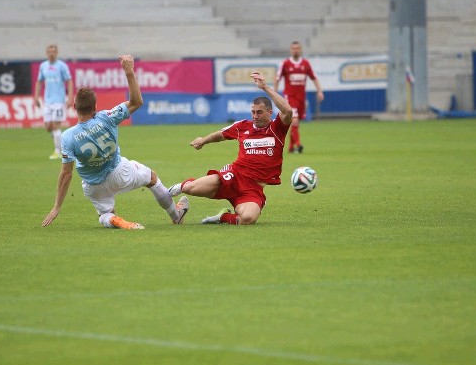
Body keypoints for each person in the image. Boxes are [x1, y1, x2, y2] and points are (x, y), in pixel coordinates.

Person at [41, 54, 189, 230]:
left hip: (93, 185)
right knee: (152, 179)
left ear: (75, 108)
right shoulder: (107, 117)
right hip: (120, 172)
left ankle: (116, 221)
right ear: (95, 108)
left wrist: (57, 206)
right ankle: (175, 214)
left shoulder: (67, 137)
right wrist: (129, 72)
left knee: (104, 214)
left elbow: (66, 174)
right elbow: (137, 101)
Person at [168, 70, 292, 225]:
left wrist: (265, 87)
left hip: (253, 188)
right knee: (191, 188)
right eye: (253, 112)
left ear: (270, 112)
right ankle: (182, 188)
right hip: (234, 176)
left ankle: (222, 217)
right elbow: (221, 134)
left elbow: (287, 111)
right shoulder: (242, 126)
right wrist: (203, 141)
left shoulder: (277, 128)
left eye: (259, 112)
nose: (255, 116)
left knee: (247, 219)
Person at [274, 40, 323, 153]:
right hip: (290, 97)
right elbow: (277, 78)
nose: (295, 50)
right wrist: (275, 94)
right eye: (293, 48)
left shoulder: (305, 64)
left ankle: (291, 147)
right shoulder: (285, 63)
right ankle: (298, 144)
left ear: (300, 50)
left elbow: (314, 78)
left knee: (296, 123)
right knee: (294, 121)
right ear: (291, 50)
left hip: (301, 98)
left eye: (297, 48)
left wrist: (319, 91)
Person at [34, 44, 74, 159]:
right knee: (48, 127)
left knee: (56, 125)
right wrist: (36, 97)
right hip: (47, 101)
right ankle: (59, 142)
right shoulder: (43, 66)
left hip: (59, 101)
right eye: (49, 51)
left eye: (53, 51)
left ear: (56, 53)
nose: (51, 53)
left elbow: (69, 81)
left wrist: (70, 98)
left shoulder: (62, 66)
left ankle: (58, 151)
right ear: (47, 53)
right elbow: (39, 81)